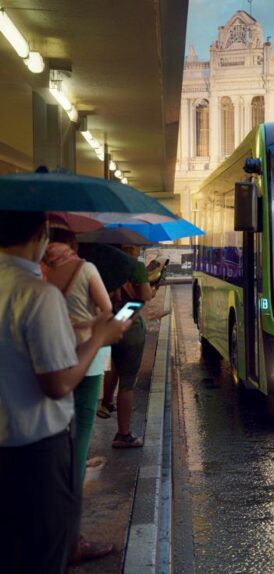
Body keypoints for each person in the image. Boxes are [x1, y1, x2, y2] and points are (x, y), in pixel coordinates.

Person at [0, 210, 129, 573]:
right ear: (41, 233)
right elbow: (56, 383)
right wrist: (100, 337)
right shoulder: (37, 294)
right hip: (35, 450)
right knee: (44, 554)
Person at [41, 227, 116, 563]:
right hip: (87, 358)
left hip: (50, 359)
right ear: (73, 244)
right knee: (80, 440)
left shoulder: (39, 269)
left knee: (56, 440)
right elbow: (107, 310)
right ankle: (72, 538)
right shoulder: (84, 268)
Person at [99, 244, 155, 448]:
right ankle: (123, 433)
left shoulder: (99, 265)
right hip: (130, 325)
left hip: (105, 324)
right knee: (127, 382)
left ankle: (106, 403)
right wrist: (152, 287)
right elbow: (145, 296)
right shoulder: (135, 266)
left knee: (113, 364)